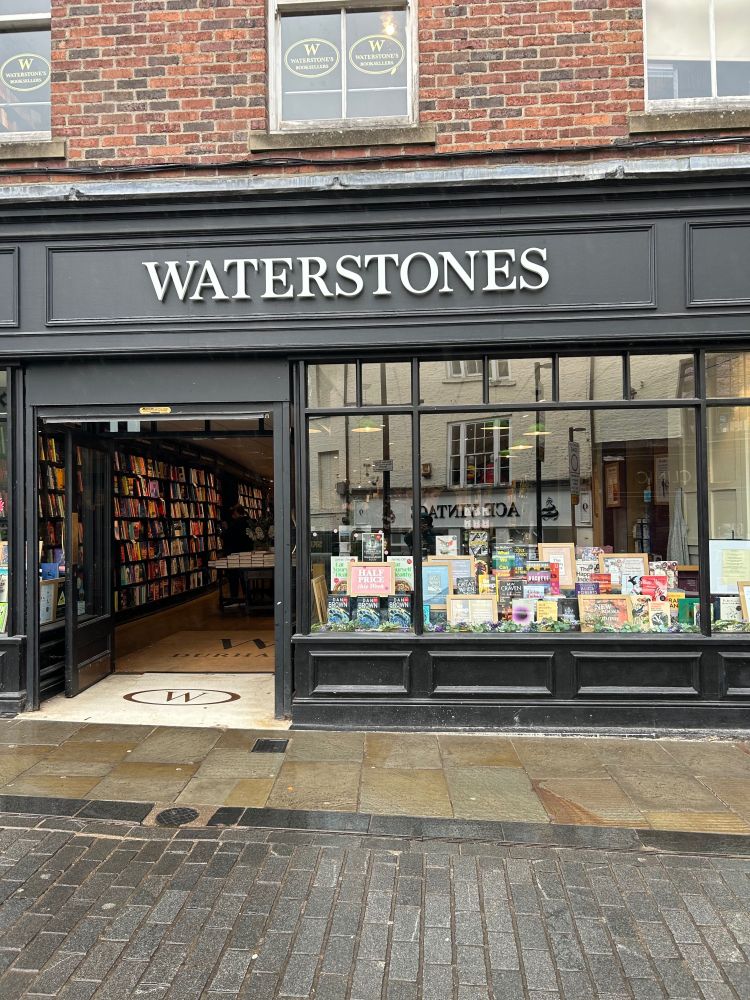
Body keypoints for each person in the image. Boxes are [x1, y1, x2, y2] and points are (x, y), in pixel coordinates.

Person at [222, 504, 253, 607]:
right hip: (247, 553)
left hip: (235, 554)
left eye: (233, 513)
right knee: (245, 576)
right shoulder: (250, 521)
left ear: (236, 513)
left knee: (233, 577)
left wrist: (225, 528)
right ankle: (247, 597)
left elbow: (227, 536)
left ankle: (234, 598)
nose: (232, 516)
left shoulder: (236, 523)